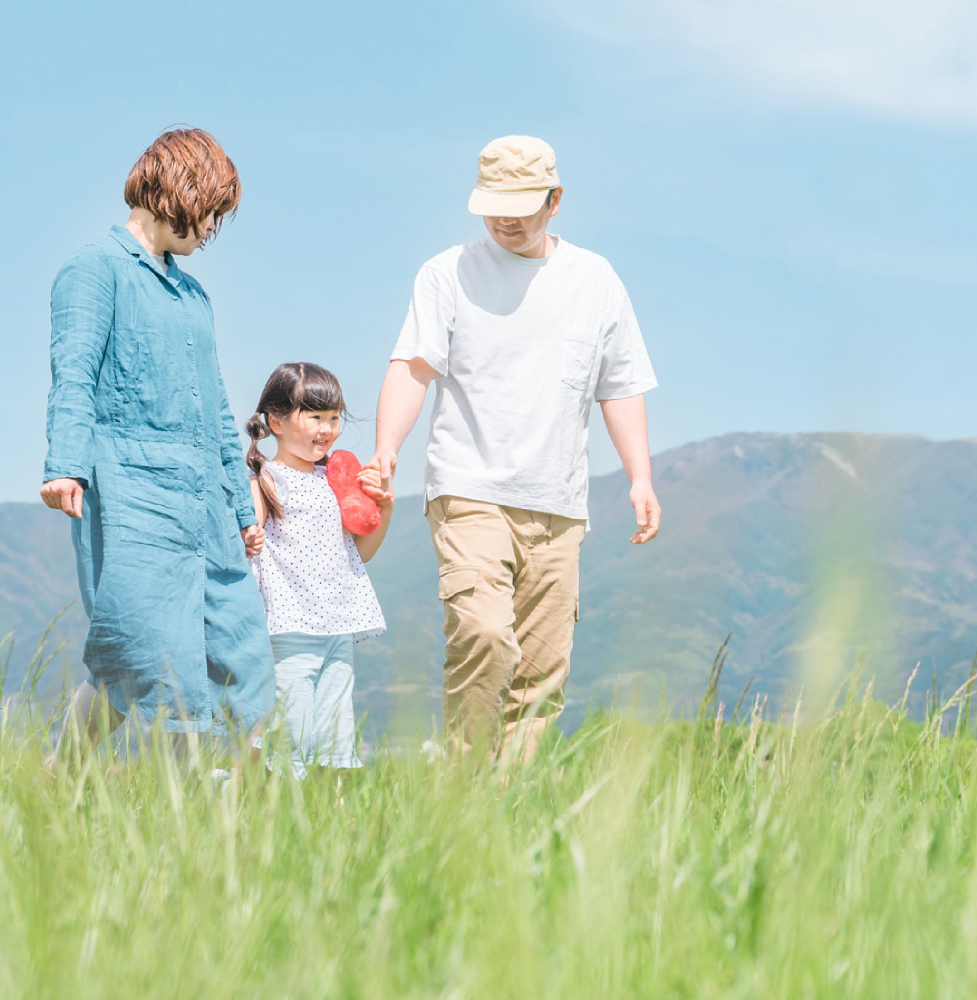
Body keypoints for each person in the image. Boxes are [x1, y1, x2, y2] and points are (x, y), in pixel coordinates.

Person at [375, 134, 660, 761]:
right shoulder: (447, 272)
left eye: (521, 204)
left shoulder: (595, 279)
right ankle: (465, 782)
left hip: (558, 504)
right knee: (483, 635)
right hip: (468, 489)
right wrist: (387, 449)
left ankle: (506, 811)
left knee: (539, 677)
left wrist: (639, 476)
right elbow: (413, 367)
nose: (504, 218)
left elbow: (621, 385)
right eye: (492, 204)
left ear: (556, 200)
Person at [41, 128, 274, 762]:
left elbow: (217, 408)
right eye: (210, 214)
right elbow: (76, 375)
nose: (210, 232)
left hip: (205, 506)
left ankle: (236, 815)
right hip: (132, 494)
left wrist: (241, 504)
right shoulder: (93, 270)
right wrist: (65, 466)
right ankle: (62, 776)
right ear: (180, 193)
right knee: (147, 656)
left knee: (243, 653)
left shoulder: (195, 295)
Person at [246, 362, 392, 779]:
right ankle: (248, 794)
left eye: (333, 418)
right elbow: (250, 534)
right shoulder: (266, 479)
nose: (326, 428)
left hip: (338, 624)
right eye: (313, 417)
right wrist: (249, 537)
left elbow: (361, 551)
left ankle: (327, 815)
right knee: (291, 728)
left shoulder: (338, 479)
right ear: (275, 421)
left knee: (334, 732)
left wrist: (387, 507)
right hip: (290, 625)